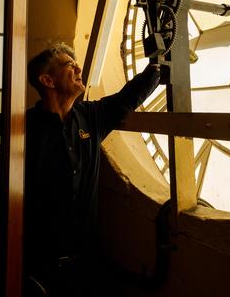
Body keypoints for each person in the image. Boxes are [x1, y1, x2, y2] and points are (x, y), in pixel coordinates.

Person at [24, 43, 160, 296]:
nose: (78, 68)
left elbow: (128, 97)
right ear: (47, 80)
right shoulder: (23, 130)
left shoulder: (90, 117)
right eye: (69, 65)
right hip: (36, 268)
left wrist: (157, 64)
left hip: (84, 264)